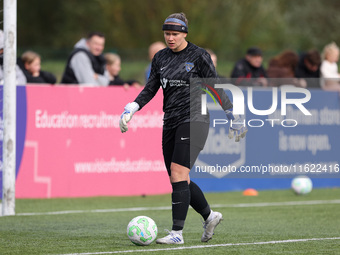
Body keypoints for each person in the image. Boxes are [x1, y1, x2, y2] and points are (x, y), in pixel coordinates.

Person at [119, 12, 247, 245]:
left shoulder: (199, 56)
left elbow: (215, 88)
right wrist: (133, 106)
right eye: (167, 34)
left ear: (184, 34)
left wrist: (231, 114)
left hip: (195, 119)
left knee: (178, 173)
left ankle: (177, 233)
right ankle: (210, 216)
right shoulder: (160, 57)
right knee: (180, 179)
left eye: (175, 34)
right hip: (170, 121)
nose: (170, 38)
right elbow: (151, 88)